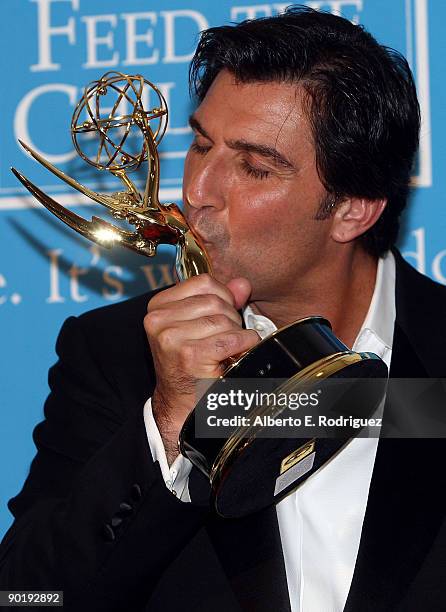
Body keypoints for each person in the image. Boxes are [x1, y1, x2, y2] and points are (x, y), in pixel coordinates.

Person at [1, 6, 445, 611]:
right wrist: (169, 426)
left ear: (354, 208)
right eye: (201, 145)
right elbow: (28, 596)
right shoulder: (118, 355)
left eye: (255, 167)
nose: (196, 192)